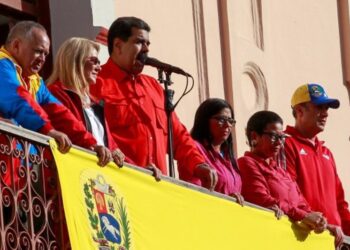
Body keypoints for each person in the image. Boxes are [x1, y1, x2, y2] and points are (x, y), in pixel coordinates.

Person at [89, 16, 217, 189]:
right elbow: (94, 134)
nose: (146, 49)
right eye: (140, 42)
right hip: (118, 184)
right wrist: (133, 167)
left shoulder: (154, 87)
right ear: (118, 45)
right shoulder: (96, 83)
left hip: (157, 186)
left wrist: (198, 164)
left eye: (148, 44)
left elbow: (178, 135)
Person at [0, 21, 111, 166]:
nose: (43, 59)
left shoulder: (35, 81)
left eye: (45, 54)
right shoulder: (2, 66)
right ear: (16, 46)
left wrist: (90, 143)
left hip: (17, 170)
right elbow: (19, 99)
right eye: (38, 51)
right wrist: (48, 130)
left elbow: (60, 113)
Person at [238, 111, 327, 234]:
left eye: (282, 137)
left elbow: (302, 205)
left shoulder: (281, 172)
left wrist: (320, 221)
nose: (279, 142)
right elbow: (261, 199)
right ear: (254, 137)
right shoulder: (246, 163)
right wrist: (302, 216)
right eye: (274, 136)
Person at [285, 83, 350, 245]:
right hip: (305, 238)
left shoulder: (327, 153)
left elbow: (340, 202)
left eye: (327, 109)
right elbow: (289, 192)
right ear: (299, 111)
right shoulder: (285, 144)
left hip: (335, 241)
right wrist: (324, 224)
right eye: (320, 107)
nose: (325, 114)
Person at [47, 37, 126, 167]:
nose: (99, 68)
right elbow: (72, 129)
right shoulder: (55, 93)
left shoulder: (95, 104)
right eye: (94, 61)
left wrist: (142, 169)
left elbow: (112, 148)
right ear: (75, 61)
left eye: (99, 63)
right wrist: (93, 145)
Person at [179, 98, 243, 203]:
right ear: (205, 121)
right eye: (221, 119)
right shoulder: (193, 149)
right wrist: (226, 199)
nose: (228, 125)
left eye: (231, 121)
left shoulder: (230, 158)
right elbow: (194, 192)